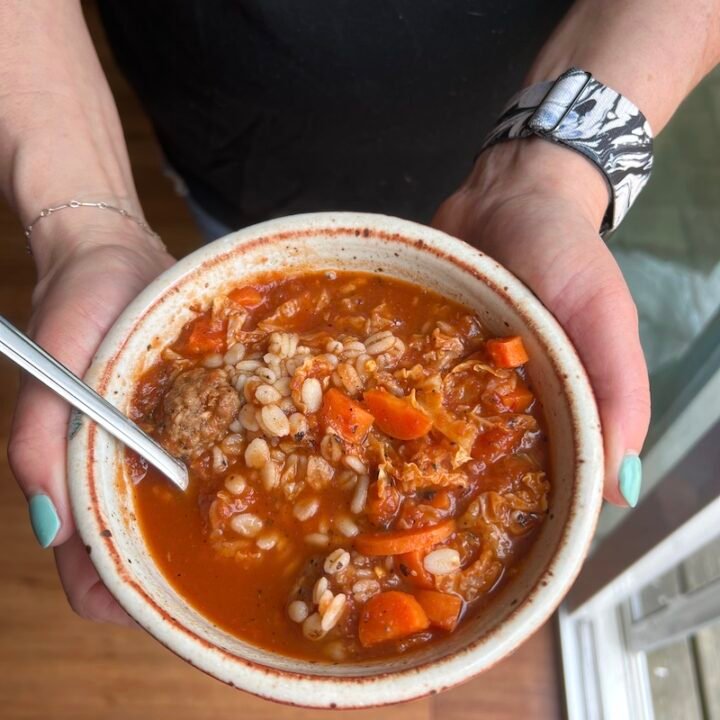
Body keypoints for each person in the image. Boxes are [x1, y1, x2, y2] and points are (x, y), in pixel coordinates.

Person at [1, 0, 718, 627]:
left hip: (508, 116)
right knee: (222, 242)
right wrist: (87, 225)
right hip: (228, 126)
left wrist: (553, 170)